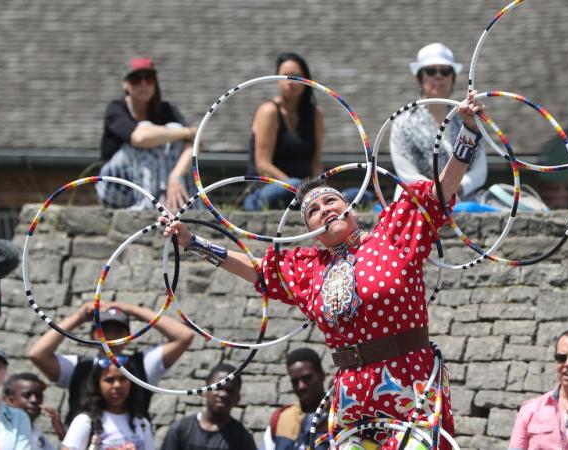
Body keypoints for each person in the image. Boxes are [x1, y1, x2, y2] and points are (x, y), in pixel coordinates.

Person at [162, 91, 487, 449]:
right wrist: (192, 242)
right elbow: (257, 271)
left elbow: (441, 191)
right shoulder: (309, 270)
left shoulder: (393, 234)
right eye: (313, 212)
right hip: (352, 395)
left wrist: (468, 132)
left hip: (411, 381)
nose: (324, 210)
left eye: (331, 200)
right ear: (310, 232)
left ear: (350, 207)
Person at [27, 302, 193, 424]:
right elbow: (37, 354)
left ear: (129, 336)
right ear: (92, 335)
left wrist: (132, 309)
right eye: (104, 330)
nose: (111, 337)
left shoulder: (141, 366)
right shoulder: (79, 367)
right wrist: (78, 317)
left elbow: (184, 336)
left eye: (118, 331)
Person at [97, 56, 199, 211]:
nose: (143, 84)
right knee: (150, 135)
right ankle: (151, 205)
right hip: (115, 186)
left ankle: (181, 204)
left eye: (149, 79)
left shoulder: (166, 110)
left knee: (173, 137)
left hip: (156, 181)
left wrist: (176, 175)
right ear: (126, 84)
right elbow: (140, 138)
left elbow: (195, 142)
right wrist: (186, 131)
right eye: (136, 79)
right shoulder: (116, 108)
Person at [390, 43, 487, 203]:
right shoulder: (402, 122)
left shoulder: (468, 118)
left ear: (452, 77)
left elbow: (480, 171)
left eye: (445, 71)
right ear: (420, 77)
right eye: (431, 71)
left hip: (463, 203)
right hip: (418, 204)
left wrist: (457, 188)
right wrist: (438, 192)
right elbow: (406, 172)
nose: (438, 76)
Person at [244, 52, 325, 211]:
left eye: (296, 76)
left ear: (306, 80)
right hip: (265, 192)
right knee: (294, 184)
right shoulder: (269, 111)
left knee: (357, 195)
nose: (291, 81)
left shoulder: (315, 115)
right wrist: (298, 189)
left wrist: (320, 190)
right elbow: (263, 165)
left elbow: (316, 162)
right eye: (285, 76)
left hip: (305, 192)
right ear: (277, 79)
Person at [61, 356, 154, 450]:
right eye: (109, 380)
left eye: (122, 379)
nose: (117, 385)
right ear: (98, 384)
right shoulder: (85, 422)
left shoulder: (142, 424)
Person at [161, 363, 257, 450]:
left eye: (230, 390)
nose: (223, 394)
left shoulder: (242, 439)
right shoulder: (181, 429)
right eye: (218, 388)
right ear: (205, 391)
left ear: (238, 398)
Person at [260, 348, 329, 450]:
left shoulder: (340, 417)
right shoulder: (280, 419)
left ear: (322, 375)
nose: (301, 386)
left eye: (307, 378)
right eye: (295, 381)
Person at [3, 372, 66, 450]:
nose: (34, 400)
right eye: (27, 395)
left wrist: (61, 433)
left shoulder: (37, 435)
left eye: (39, 396)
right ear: (9, 400)